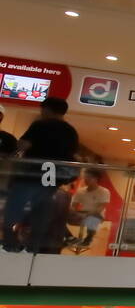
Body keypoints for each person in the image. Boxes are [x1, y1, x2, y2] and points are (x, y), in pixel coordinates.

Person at [3, 96, 79, 253]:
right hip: (52, 173)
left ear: (46, 109)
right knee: (42, 205)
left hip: (32, 171)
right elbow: (71, 154)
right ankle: (36, 243)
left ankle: (10, 240)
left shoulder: (40, 125)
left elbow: (23, 144)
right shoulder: (70, 131)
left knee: (16, 204)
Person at [67, 168, 109, 252]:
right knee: (59, 214)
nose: (85, 180)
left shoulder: (104, 191)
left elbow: (100, 208)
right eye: (85, 177)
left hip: (96, 214)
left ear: (96, 179)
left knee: (93, 218)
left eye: (88, 178)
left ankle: (88, 238)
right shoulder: (80, 191)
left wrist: (86, 215)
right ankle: (69, 236)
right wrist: (71, 211)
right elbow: (74, 205)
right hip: (82, 213)